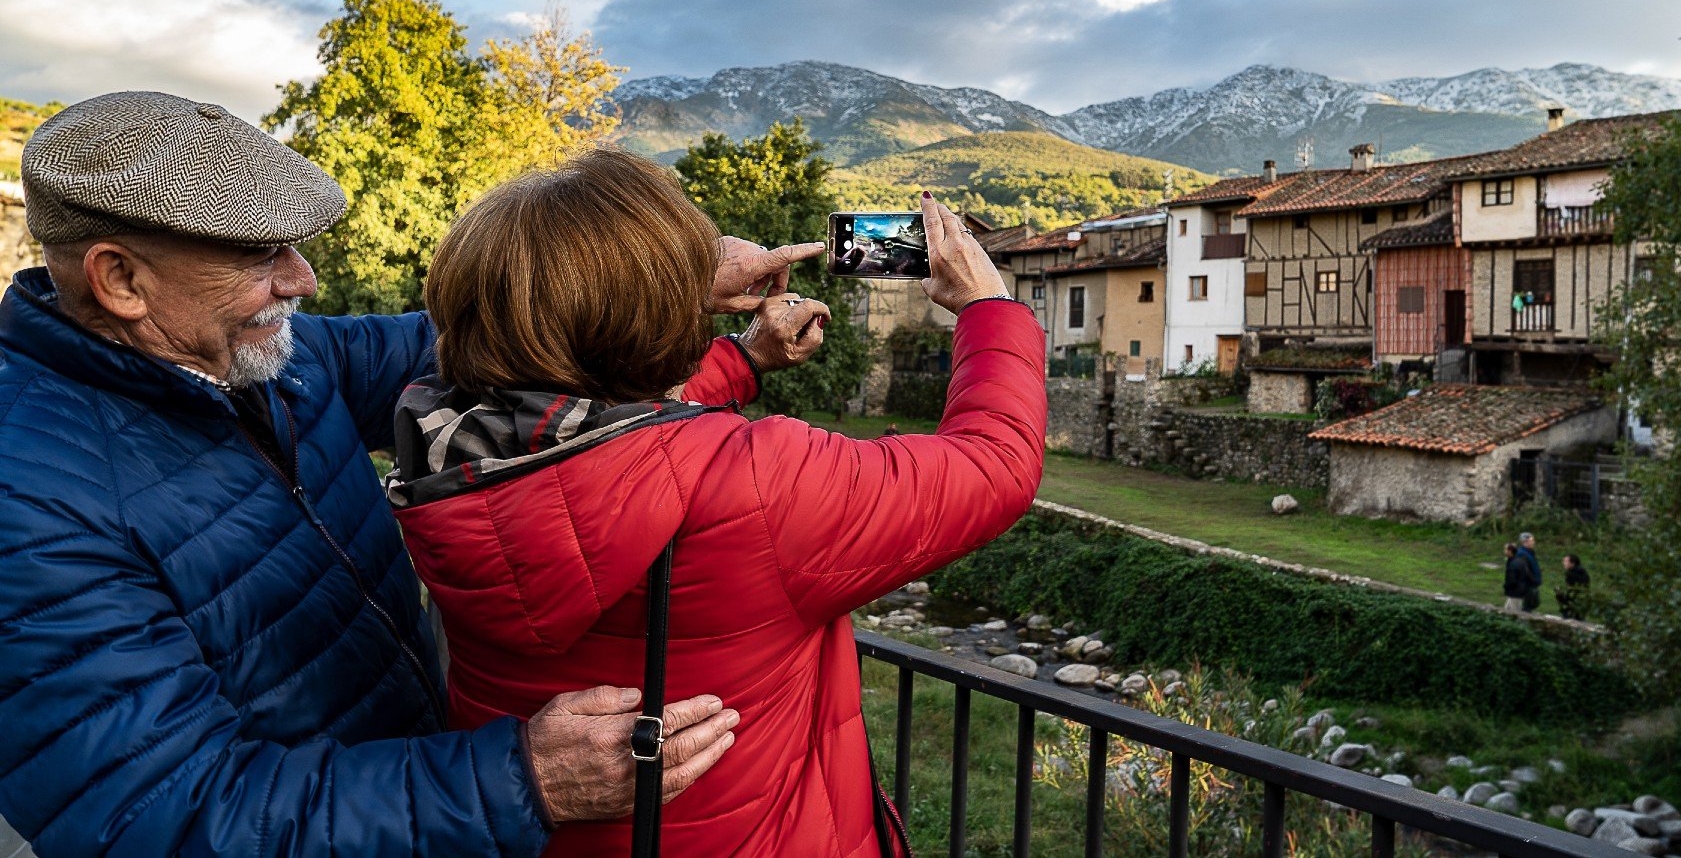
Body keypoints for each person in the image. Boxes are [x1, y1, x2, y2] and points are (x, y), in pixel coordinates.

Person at [0, 92, 810, 856]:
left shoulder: (269, 360)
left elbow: (501, 333)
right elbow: (170, 819)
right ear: (121, 280)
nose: (301, 281)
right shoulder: (31, 499)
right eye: (258, 255)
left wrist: (657, 278)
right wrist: (517, 780)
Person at [386, 154, 1047, 855]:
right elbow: (995, 462)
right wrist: (989, 308)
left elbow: (612, 437)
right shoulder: (760, 482)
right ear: (655, 317)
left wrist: (743, 358)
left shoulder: (444, 461)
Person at [1556, 554, 1592, 620]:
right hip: (1583, 602)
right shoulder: (1582, 572)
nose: (1563, 563)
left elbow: (1571, 591)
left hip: (1574, 603)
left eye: (1566, 561)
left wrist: (1560, 595)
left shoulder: (1571, 574)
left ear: (1572, 563)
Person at [1516, 531, 1544, 613]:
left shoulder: (1530, 553)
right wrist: (1533, 579)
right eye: (1532, 540)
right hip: (1528, 584)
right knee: (1529, 603)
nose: (1533, 542)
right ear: (1525, 542)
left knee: (1534, 602)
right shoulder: (1522, 554)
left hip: (1532, 583)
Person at [1501, 542, 1526, 612]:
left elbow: (1513, 579)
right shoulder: (1513, 560)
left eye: (1505, 549)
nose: (1504, 551)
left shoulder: (1514, 563)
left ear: (1510, 551)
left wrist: (1506, 586)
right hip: (1514, 592)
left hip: (1516, 592)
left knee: (1516, 613)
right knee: (1506, 610)